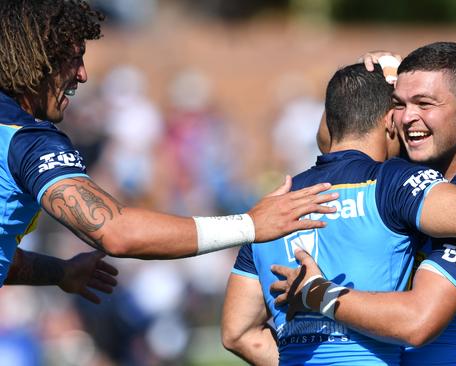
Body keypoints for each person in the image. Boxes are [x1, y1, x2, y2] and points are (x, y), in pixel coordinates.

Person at [0, 0, 338, 296]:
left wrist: (59, 272)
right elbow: (118, 231)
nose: (83, 75)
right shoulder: (28, 140)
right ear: (37, 58)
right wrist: (249, 225)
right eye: (72, 60)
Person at [221, 62, 456, 365]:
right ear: (388, 122)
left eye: (422, 104)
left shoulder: (270, 209)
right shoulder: (395, 183)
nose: (410, 119)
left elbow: (238, 334)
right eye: (401, 108)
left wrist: (360, 74)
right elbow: (418, 321)